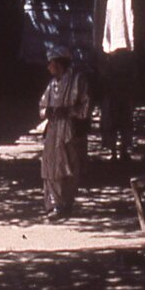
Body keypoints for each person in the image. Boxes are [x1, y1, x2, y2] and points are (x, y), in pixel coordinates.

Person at [39, 46, 90, 219]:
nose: (48, 67)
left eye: (51, 63)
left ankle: (67, 203)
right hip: (53, 130)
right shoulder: (52, 85)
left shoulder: (77, 81)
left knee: (70, 167)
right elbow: (42, 106)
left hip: (70, 130)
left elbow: (85, 107)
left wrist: (68, 111)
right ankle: (55, 204)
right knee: (51, 166)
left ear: (59, 64)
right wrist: (48, 112)